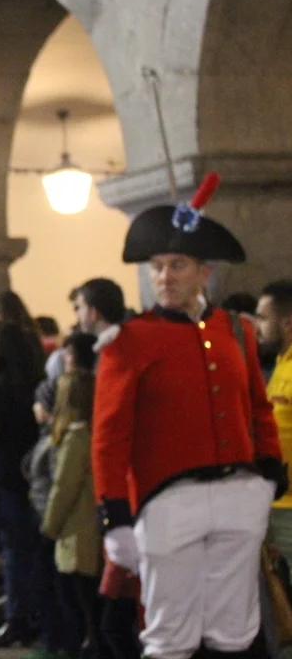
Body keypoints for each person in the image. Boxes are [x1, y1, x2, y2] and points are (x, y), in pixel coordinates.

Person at [92, 173, 286, 659]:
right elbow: (109, 438)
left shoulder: (236, 330)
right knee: (169, 637)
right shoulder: (129, 342)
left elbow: (257, 407)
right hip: (168, 501)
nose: (164, 277)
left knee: (235, 632)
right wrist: (115, 515)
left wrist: (268, 472)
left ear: (204, 271)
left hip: (240, 493)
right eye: (157, 267)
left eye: (177, 265)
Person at [41, 332, 102, 659]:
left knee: (81, 608)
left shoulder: (76, 436)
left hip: (76, 534)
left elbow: (64, 487)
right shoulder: (94, 431)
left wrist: (48, 528)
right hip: (91, 531)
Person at [0, 321, 42, 649]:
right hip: (34, 476)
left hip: (8, 480)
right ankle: (32, 615)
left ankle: (17, 618)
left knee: (14, 554)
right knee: (30, 550)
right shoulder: (34, 382)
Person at [258, 280, 292, 560]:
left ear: (287, 324)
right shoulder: (282, 365)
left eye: (263, 318)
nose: (257, 327)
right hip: (279, 502)